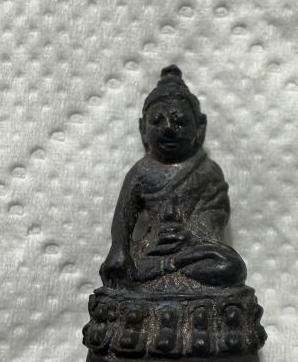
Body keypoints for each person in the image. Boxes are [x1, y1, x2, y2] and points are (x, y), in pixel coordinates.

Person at [99, 65, 247, 290]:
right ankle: (161, 271)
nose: (168, 128)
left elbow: (216, 213)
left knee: (231, 267)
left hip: (194, 249)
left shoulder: (208, 171)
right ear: (142, 129)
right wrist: (119, 250)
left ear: (200, 127)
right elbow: (123, 216)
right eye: (156, 121)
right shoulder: (141, 172)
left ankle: (165, 269)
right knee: (122, 270)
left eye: (179, 121)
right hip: (152, 248)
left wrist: (190, 235)